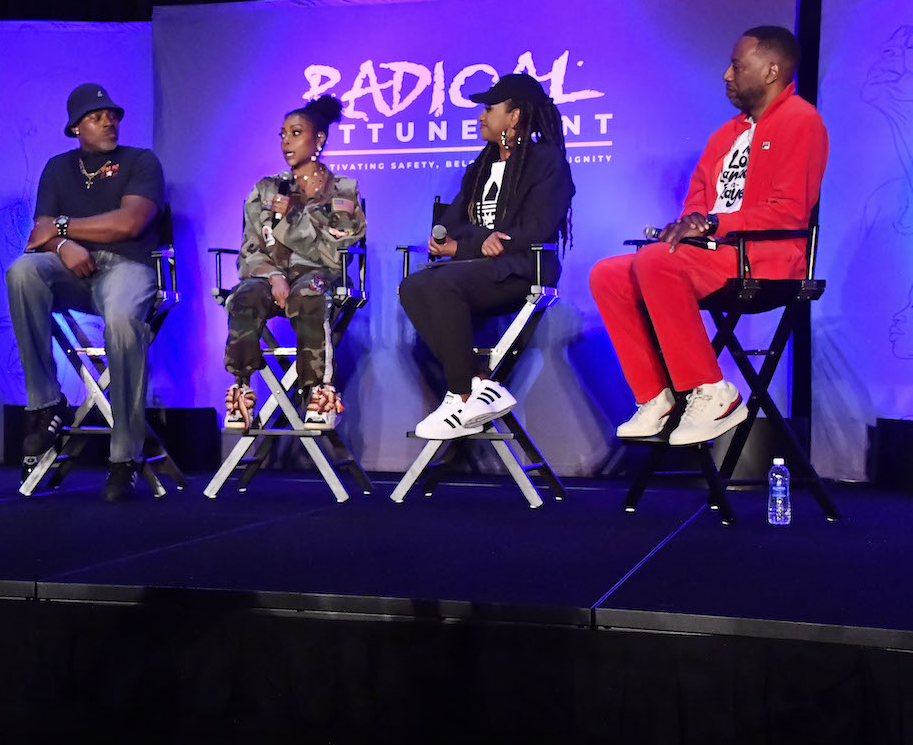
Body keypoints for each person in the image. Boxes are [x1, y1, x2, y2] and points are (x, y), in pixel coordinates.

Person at [589, 26, 829, 446]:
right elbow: (697, 205)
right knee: (607, 274)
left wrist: (716, 225)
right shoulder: (723, 136)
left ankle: (712, 390)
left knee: (656, 260)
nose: (725, 74)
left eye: (737, 66)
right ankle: (656, 398)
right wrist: (689, 226)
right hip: (713, 256)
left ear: (772, 70)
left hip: (766, 260)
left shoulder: (802, 121)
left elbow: (790, 209)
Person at [6, 83, 164, 502]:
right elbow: (36, 238)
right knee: (23, 272)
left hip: (127, 266)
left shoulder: (140, 162)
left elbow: (128, 224)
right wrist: (61, 245)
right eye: (97, 116)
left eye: (112, 114)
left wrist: (60, 229)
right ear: (76, 127)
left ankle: (124, 457)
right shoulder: (58, 167)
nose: (109, 121)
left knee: (122, 321)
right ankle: (45, 404)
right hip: (71, 271)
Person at [399, 73, 574, 439]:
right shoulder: (481, 166)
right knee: (413, 286)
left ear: (514, 116)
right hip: (479, 267)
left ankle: (461, 392)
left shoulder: (547, 162)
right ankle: (478, 385)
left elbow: (535, 229)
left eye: (490, 108)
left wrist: (467, 246)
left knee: (444, 282)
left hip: (524, 269)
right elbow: (452, 224)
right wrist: (473, 242)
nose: (481, 116)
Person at [223, 96, 366, 431]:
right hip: (271, 277)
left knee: (309, 295)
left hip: (317, 276)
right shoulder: (265, 190)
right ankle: (241, 387)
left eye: (296, 132)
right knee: (243, 297)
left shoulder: (342, 191)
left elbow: (333, 252)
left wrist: (292, 218)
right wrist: (273, 275)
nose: (286, 141)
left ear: (319, 139)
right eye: (283, 134)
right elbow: (250, 249)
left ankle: (319, 391)